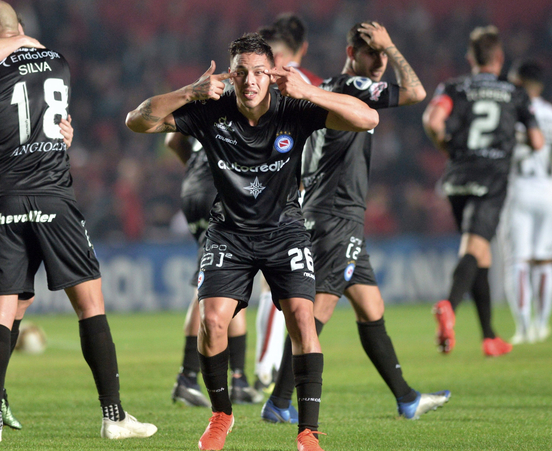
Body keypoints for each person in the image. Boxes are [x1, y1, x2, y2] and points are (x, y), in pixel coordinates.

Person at [127, 32, 378, 451]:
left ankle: (308, 432)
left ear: (271, 73)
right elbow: (137, 121)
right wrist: (189, 90)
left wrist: (310, 92)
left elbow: (367, 118)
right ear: (231, 74)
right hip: (229, 233)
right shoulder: (210, 109)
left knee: (302, 317)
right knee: (211, 322)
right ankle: (222, 414)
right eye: (241, 73)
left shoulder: (294, 107)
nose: (250, 81)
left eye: (259, 72)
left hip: (285, 230)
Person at [0, 1, 156, 442]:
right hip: (54, 197)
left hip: (0, 200)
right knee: (90, 306)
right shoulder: (58, 62)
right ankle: (113, 416)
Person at [262, 21, 450, 425]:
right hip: (337, 216)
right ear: (352, 54)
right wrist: (395, 45)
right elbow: (417, 92)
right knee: (317, 313)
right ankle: (278, 402)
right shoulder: (354, 88)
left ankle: (406, 398)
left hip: (328, 212)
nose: (380, 61)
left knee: (370, 306)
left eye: (382, 55)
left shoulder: (325, 90)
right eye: (373, 54)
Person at [0, 29, 75, 439]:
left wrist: (54, 136)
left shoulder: (11, 81)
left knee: (18, 300)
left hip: (3, 202)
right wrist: (28, 40)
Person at [423, 25, 543, 357]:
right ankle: (449, 303)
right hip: (491, 178)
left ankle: (489, 336)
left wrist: (444, 146)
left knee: (480, 252)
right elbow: (537, 141)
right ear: (499, 58)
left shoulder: (454, 86)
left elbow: (434, 121)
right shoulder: (513, 91)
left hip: (458, 175)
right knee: (474, 248)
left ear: (471, 58)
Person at [253, 14, 324, 395]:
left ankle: (266, 367)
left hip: (265, 190)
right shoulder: (309, 81)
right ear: (304, 46)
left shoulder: (261, 78)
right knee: (289, 288)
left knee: (273, 286)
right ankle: (269, 368)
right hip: (306, 191)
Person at [166, 132, 262, 407]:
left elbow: (172, 140)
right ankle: (187, 378)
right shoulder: (246, 99)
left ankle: (239, 380)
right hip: (217, 189)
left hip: (193, 188)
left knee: (230, 279)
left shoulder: (207, 95)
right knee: (216, 283)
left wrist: (199, 166)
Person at [500, 60, 552, 344]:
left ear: (519, 83)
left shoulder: (512, 111)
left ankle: (523, 328)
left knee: (517, 262)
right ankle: (542, 325)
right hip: (549, 192)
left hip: (519, 190)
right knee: (545, 262)